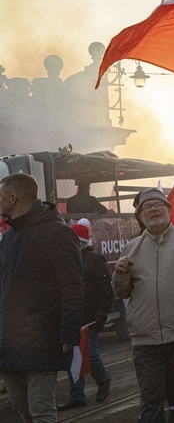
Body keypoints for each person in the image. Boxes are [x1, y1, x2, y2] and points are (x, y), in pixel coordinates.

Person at [113, 188, 174, 423]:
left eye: (158, 205)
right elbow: (122, 291)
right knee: (150, 401)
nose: (153, 210)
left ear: (169, 210)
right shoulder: (131, 248)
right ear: (140, 216)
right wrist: (120, 275)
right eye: (146, 207)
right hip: (146, 339)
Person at [0, 173, 84, 422]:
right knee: (20, 406)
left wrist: (69, 334)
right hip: (10, 341)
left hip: (42, 338)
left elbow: (73, 287)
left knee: (41, 409)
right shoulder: (9, 236)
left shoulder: (57, 234)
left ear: (13, 197)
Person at [58, 219, 114, 411]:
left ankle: (103, 381)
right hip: (72, 318)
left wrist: (102, 311)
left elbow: (107, 287)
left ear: (80, 241)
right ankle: (77, 395)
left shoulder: (94, 259)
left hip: (90, 318)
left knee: (89, 354)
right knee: (71, 357)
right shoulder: (67, 260)